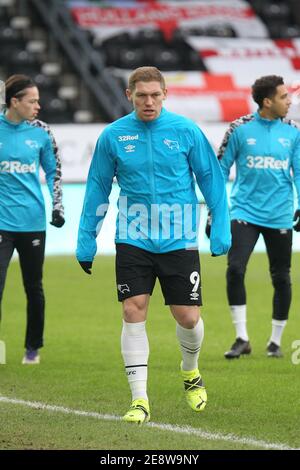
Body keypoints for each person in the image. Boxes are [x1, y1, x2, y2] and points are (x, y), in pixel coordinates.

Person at [76, 66, 231, 424]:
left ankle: (190, 371)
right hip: (133, 237)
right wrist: (86, 238)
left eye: (155, 95)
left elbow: (211, 180)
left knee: (188, 317)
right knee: (134, 309)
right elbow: (97, 187)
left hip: (179, 238)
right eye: (141, 95)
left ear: (165, 95)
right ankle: (139, 400)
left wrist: (220, 227)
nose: (149, 101)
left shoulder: (186, 131)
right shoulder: (113, 136)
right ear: (129, 95)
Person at [210, 75, 300, 359]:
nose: (290, 101)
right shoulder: (238, 129)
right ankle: (241, 338)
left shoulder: (294, 132)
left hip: (280, 214)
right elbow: (219, 170)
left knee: (281, 277)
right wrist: (216, 213)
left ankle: (275, 341)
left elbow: (299, 171)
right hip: (244, 212)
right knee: (235, 269)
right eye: (284, 97)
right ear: (267, 101)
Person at [0, 74, 65, 364]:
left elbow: (54, 172)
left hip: (32, 222)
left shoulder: (42, 132)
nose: (38, 106)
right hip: (1, 223)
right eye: (32, 101)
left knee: (34, 287)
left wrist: (58, 207)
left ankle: (32, 348)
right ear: (15, 101)